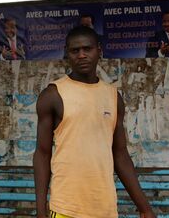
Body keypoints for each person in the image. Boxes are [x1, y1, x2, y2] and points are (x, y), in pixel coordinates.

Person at [34, 26, 155, 218]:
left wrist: (144, 208)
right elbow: (42, 153)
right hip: (66, 208)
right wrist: (41, 210)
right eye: (75, 51)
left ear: (99, 50)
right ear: (67, 54)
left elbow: (120, 155)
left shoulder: (113, 97)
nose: (81, 55)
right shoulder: (53, 95)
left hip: (105, 209)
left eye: (87, 49)